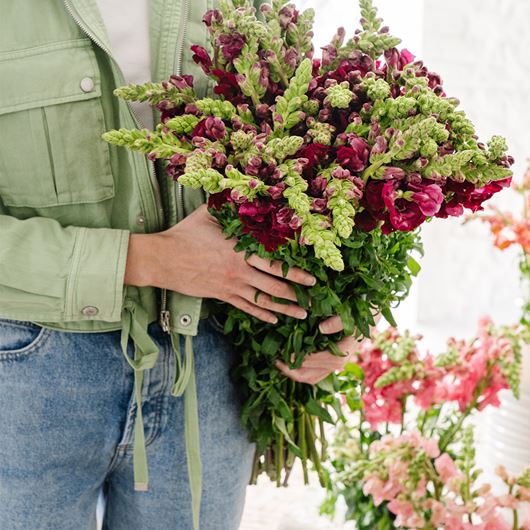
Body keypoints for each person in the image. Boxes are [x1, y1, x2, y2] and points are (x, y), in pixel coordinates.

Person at [0, 1, 358, 529]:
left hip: (213, 363)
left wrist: (333, 305)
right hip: (30, 375)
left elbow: (314, 150)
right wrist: (147, 260)